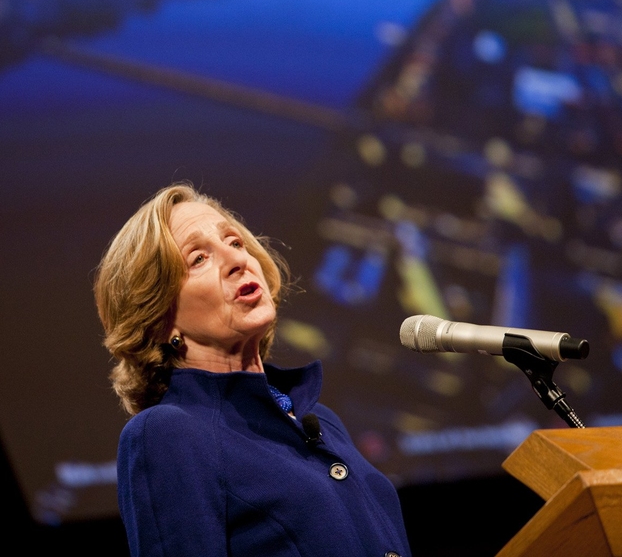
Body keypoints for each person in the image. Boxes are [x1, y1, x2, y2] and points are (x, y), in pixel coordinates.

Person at [93, 181, 412, 557]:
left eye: (235, 242)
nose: (237, 261)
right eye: (198, 258)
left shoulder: (321, 421)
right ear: (160, 320)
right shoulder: (166, 434)